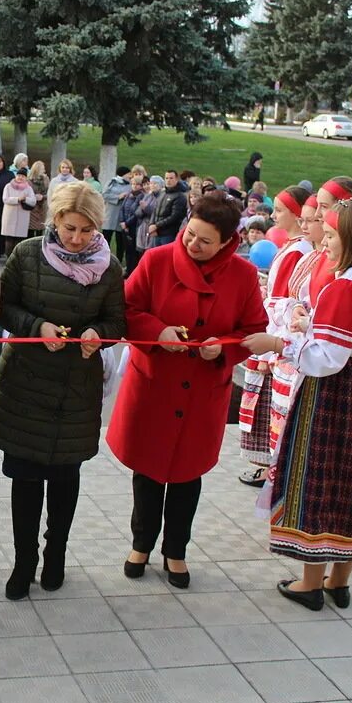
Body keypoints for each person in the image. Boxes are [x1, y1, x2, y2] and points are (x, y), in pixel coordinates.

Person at [241, 198, 352, 610]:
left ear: (351, 238)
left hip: (338, 392)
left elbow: (326, 357)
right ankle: (339, 580)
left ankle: (310, 582)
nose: (325, 243)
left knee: (319, 476)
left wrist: (279, 342)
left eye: (331, 235)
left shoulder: (346, 286)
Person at [106, 191, 268, 588]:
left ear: (228, 242)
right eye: (191, 234)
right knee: (148, 472)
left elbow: (252, 330)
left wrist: (222, 348)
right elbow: (126, 310)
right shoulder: (156, 260)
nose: (194, 245)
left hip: (201, 392)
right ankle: (140, 545)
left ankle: (175, 550)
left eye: (206, 241)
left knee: (186, 475)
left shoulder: (243, 276)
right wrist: (156, 332)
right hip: (155, 386)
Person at [0, 181, 125, 599]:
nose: (78, 239)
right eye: (69, 229)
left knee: (65, 478)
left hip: (74, 389)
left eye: (86, 230)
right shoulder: (27, 255)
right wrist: (35, 326)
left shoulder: (109, 267)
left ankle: (56, 555)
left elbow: (119, 323)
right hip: (25, 385)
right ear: (54, 222)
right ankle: (23, 560)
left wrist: (98, 333)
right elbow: (2, 305)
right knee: (25, 480)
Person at [237, 186, 311, 486]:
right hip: (273, 331)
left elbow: (287, 298)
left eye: (279, 211)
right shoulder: (292, 246)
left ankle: (272, 468)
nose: (274, 215)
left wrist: (269, 352)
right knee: (267, 409)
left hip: (279, 337)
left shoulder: (298, 251)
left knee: (272, 410)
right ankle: (266, 466)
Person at [0, 166, 37, 255]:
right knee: (9, 240)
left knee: (18, 241)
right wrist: (17, 199)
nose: (20, 177)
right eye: (19, 175)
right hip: (9, 216)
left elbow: (33, 201)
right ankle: (8, 258)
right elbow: (5, 199)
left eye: (23, 176)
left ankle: (16, 259)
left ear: (26, 178)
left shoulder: (28, 188)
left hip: (22, 217)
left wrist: (25, 199)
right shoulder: (8, 186)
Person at [149, 170, 187, 246]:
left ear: (176, 179)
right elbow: (155, 210)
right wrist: (151, 224)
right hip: (157, 232)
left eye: (171, 178)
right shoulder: (162, 193)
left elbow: (175, 216)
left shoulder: (180, 196)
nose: (168, 180)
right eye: (166, 178)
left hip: (169, 234)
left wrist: (156, 225)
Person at [102, 165, 130, 258]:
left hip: (122, 216)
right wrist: (118, 197)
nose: (130, 176)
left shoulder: (130, 184)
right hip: (110, 215)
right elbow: (105, 195)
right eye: (128, 174)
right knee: (106, 239)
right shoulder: (112, 182)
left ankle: (118, 260)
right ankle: (105, 258)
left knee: (120, 241)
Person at [27, 160, 50, 235]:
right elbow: (26, 193)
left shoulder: (46, 179)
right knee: (30, 229)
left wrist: (43, 197)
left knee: (40, 229)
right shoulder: (29, 181)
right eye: (42, 168)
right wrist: (34, 197)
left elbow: (49, 192)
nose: (44, 170)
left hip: (42, 207)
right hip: (32, 208)